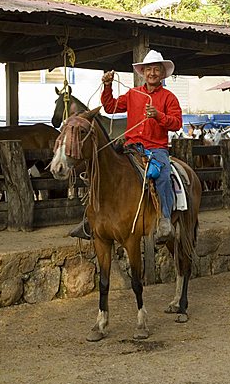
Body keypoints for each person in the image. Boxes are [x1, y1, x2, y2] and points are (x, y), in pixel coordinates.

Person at [70, 49, 182, 241]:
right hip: (131, 145)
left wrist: (159, 115)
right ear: (143, 73)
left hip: (156, 148)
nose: (152, 73)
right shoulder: (133, 94)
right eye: (148, 69)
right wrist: (107, 86)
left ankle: (164, 219)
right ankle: (92, 217)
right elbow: (110, 107)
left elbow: (177, 123)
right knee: (102, 170)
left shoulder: (169, 98)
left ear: (162, 74)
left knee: (163, 175)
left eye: (156, 69)